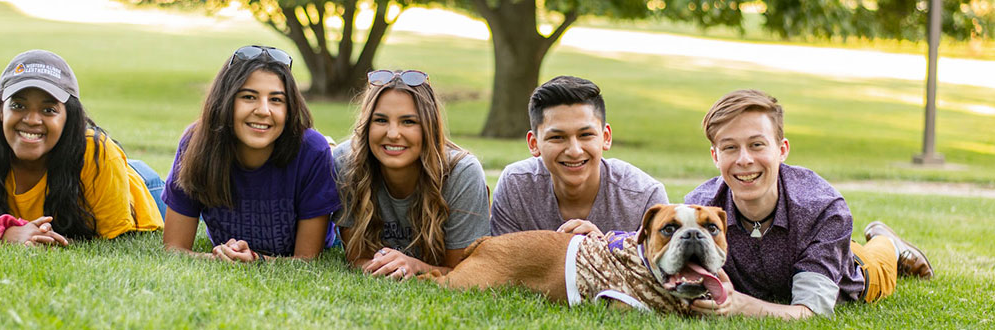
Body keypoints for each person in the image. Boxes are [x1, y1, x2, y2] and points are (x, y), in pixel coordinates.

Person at [683, 89, 934, 319]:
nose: (744, 159)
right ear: (715, 156)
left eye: (757, 144)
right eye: (730, 147)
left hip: (854, 271)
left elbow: (811, 312)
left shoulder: (824, 210)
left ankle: (890, 243)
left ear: (782, 150)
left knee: (879, 260)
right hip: (811, 253)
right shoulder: (697, 211)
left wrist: (740, 305)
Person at [0, 49, 163, 245]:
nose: (32, 120)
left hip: (141, 187)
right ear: (0, 111)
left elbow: (110, 241)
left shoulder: (99, 153)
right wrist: (7, 235)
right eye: (18, 105)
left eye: (49, 110)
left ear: (69, 118)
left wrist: (41, 238)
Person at [162, 45, 339, 262]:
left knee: (334, 158)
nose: (263, 110)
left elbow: (306, 260)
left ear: (289, 108)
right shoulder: (196, 142)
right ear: (225, 101)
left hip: (333, 226)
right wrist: (217, 257)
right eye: (248, 97)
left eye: (276, 100)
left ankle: (334, 149)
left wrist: (256, 259)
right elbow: (174, 249)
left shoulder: (312, 151)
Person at [333, 70, 491, 280]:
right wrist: (383, 265)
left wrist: (414, 265)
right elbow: (357, 259)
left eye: (408, 122)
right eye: (380, 120)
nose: (393, 134)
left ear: (429, 127)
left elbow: (463, 271)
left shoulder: (462, 173)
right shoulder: (346, 162)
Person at [490, 76, 667, 236]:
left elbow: (657, 271)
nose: (574, 151)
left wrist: (604, 251)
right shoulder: (516, 186)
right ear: (534, 143)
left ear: (606, 137)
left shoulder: (645, 196)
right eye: (557, 137)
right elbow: (501, 267)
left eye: (585, 135)